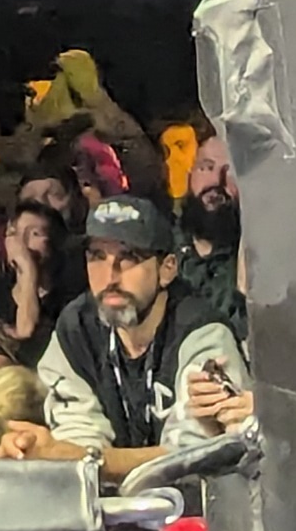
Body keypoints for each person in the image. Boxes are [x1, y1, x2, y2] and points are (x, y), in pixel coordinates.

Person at [24, 194, 256, 484]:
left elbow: (194, 460)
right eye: (97, 256)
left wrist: (90, 461)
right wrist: (63, 455)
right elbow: (77, 440)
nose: (110, 276)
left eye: (129, 257)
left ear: (167, 269)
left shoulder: (201, 333)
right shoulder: (76, 328)